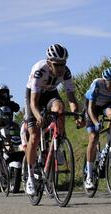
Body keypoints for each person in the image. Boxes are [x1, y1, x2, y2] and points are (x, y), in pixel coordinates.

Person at [25, 44, 84, 195]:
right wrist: (38, 116)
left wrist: (77, 114)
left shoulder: (66, 72)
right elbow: (33, 102)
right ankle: (30, 178)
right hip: (34, 96)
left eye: (63, 64)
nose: (60, 68)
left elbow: (71, 98)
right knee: (34, 136)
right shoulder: (40, 70)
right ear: (49, 62)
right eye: (57, 65)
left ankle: (58, 143)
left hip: (51, 93)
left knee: (60, 109)